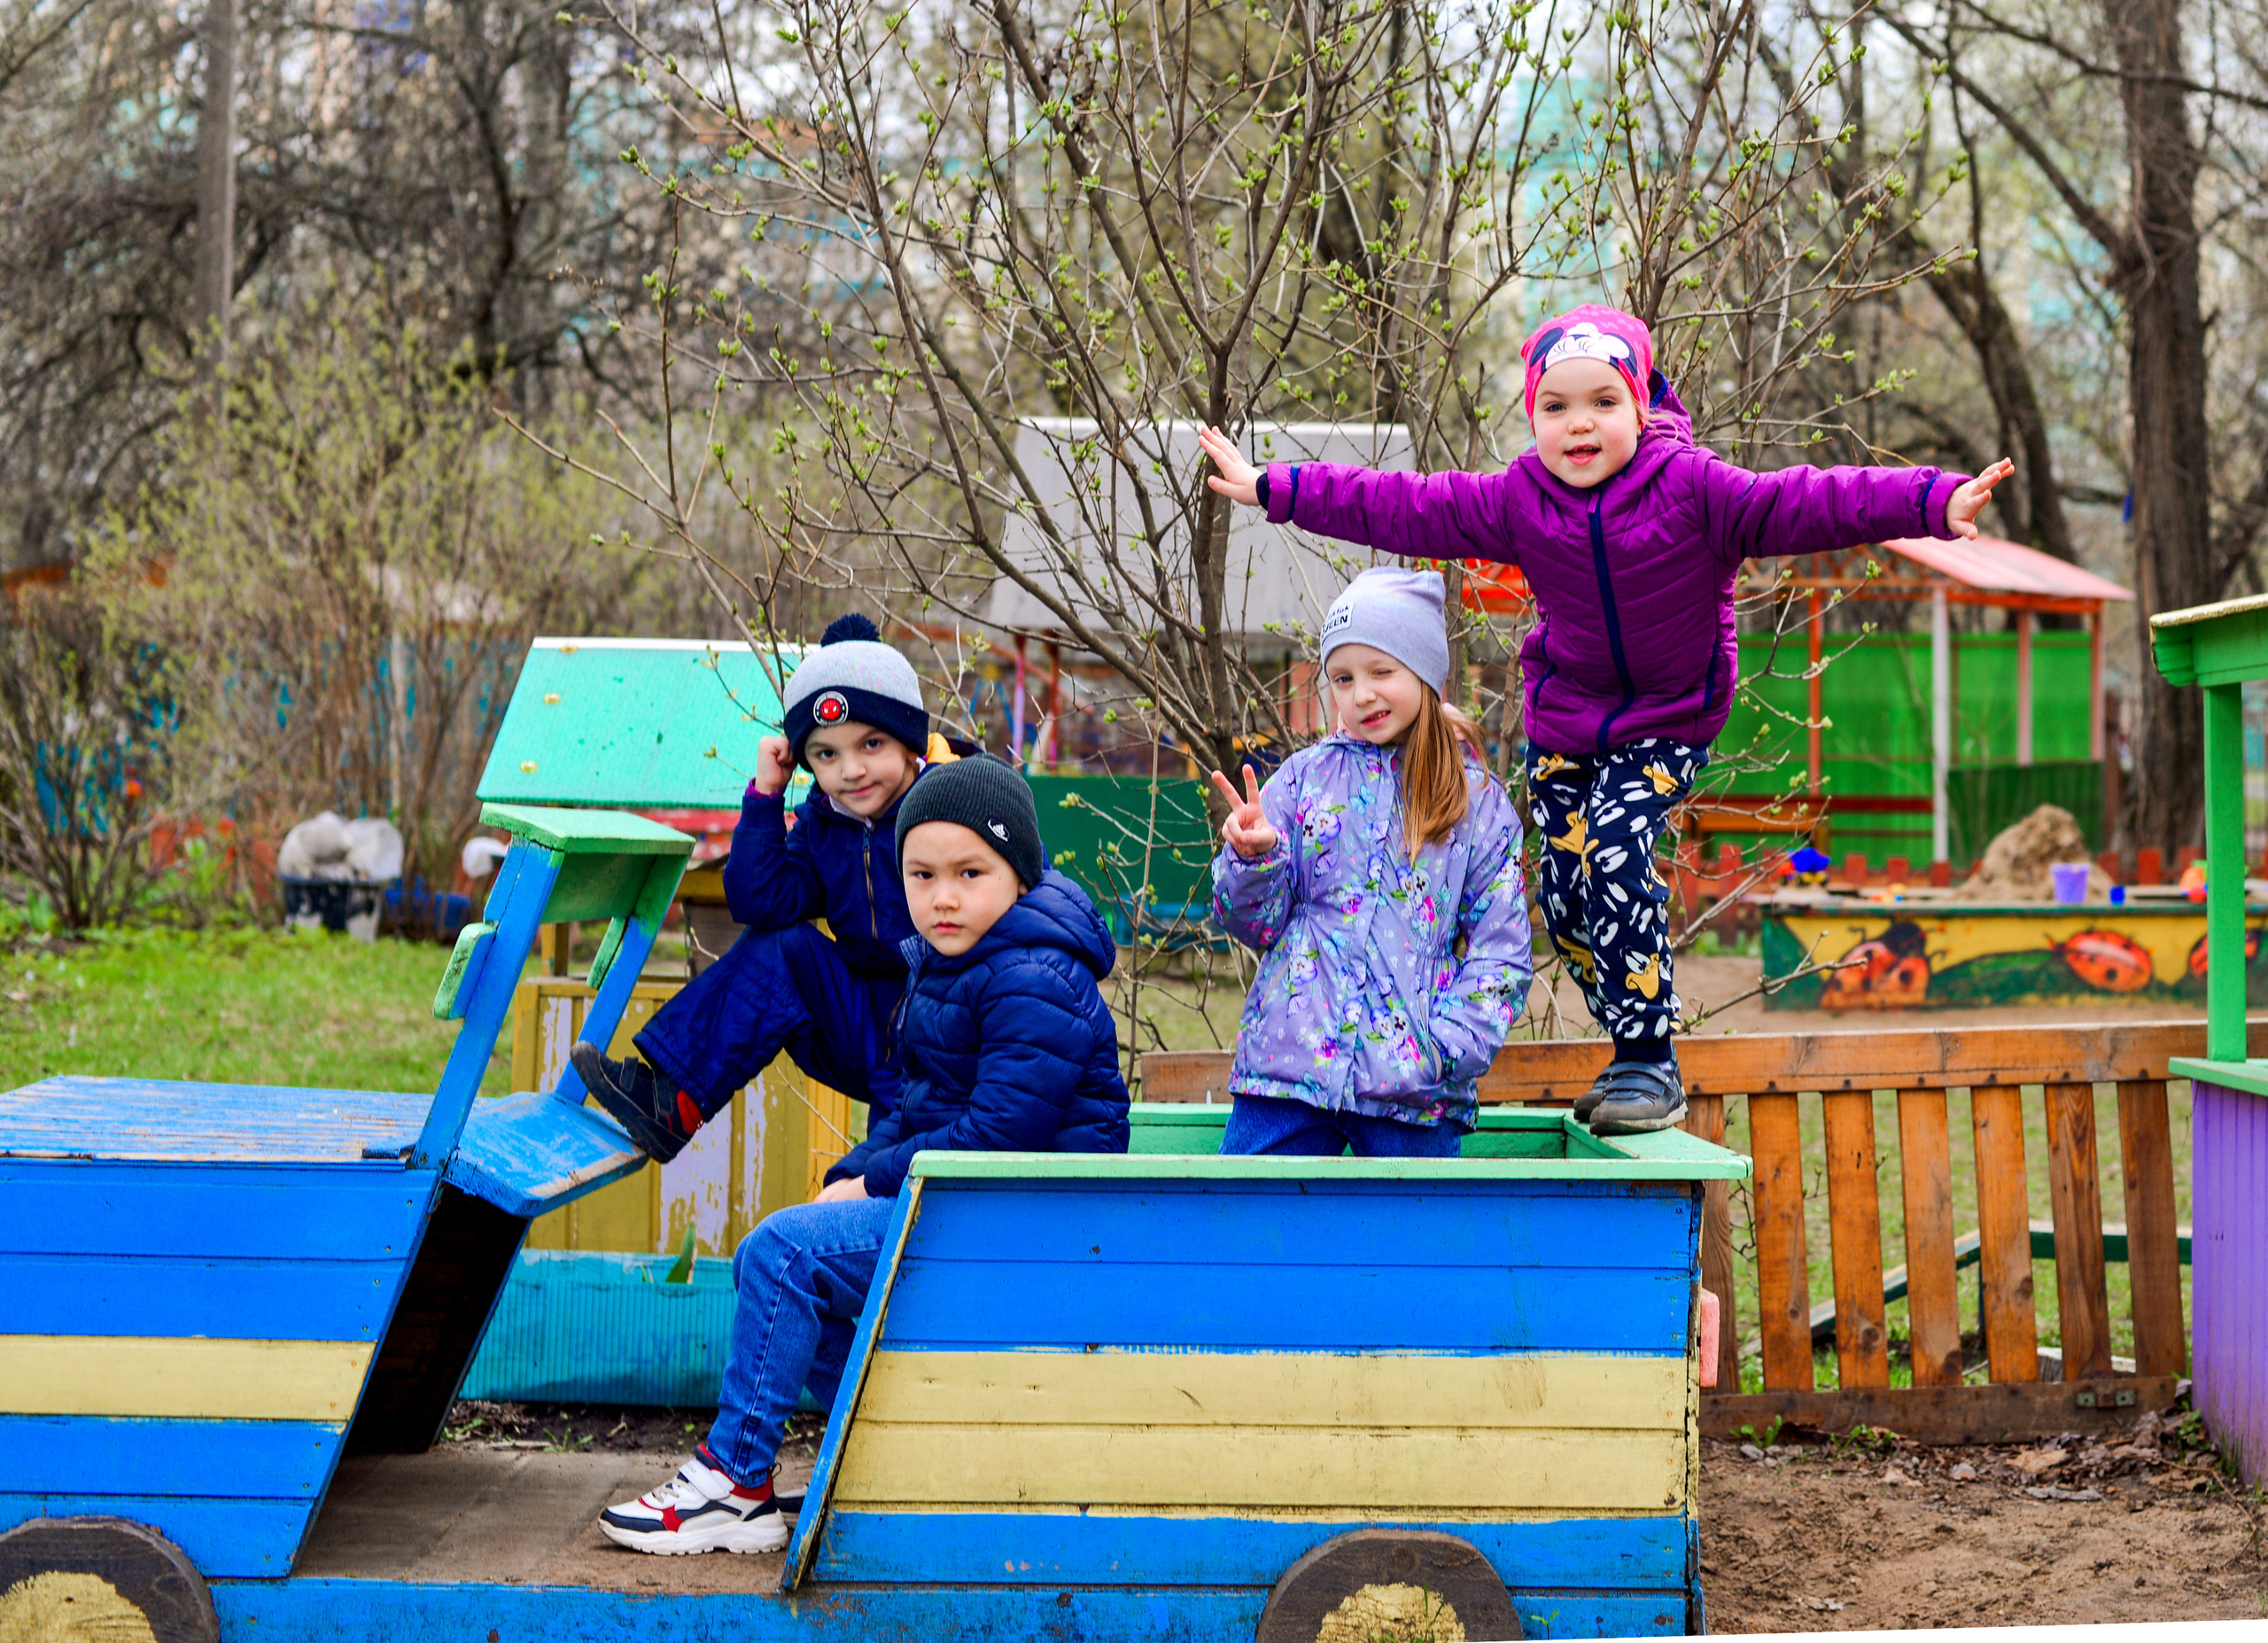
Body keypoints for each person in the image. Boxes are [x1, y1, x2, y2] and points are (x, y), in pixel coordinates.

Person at [1199, 304, 2014, 1133]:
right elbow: (1405, 505)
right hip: (1567, 724)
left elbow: (1813, 501)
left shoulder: (1698, 489)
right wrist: (1276, 488)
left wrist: (1932, 499)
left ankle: (1647, 1059)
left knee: (1617, 848)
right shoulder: (1520, 500)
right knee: (1564, 899)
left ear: (1641, 405)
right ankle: (1627, 1034)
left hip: (1668, 716)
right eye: (1555, 407)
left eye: (1602, 402)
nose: (1579, 424)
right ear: (1533, 418)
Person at [598, 755, 1132, 1555]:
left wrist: (877, 1178)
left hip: (1021, 1222)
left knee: (781, 1256)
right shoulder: (959, 963)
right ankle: (897, 1444)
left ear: (1019, 875)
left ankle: (734, 1481)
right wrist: (853, 1172)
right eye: (921, 875)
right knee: (770, 1261)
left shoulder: (1033, 976)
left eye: (970, 873)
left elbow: (1001, 1133)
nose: (942, 896)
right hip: (970, 1206)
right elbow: (918, 1103)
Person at [572, 611, 956, 1163]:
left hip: (946, 1038)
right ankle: (675, 1102)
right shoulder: (826, 823)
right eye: (827, 754)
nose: (851, 770)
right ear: (805, 761)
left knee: (883, 1184)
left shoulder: (955, 809)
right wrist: (765, 798)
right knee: (780, 945)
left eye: (871, 743)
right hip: (863, 1031)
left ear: (908, 741)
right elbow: (761, 902)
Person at [1208, 567, 1531, 1159]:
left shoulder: (1476, 804)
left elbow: (1501, 951)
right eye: (1343, 678)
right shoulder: (1303, 782)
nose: (1362, 694)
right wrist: (1254, 860)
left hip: (1413, 1089)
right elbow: (1253, 925)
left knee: (1416, 1223)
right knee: (1246, 1216)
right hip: (1289, 1071)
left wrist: (1444, 1049)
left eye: (1382, 672)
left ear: (1425, 672)